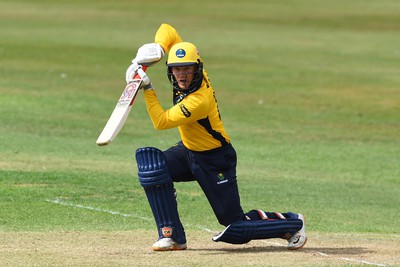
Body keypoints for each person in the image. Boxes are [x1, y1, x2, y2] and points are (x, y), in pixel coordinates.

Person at [125, 23, 307, 251]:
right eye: (176, 69)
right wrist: (155, 52)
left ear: (197, 68)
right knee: (153, 168)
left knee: (235, 225)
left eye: (187, 69)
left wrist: (148, 88)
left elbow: (160, 122)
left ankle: (292, 223)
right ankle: (172, 236)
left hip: (215, 159)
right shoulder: (190, 74)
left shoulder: (198, 101)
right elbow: (168, 30)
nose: (181, 75)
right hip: (189, 151)